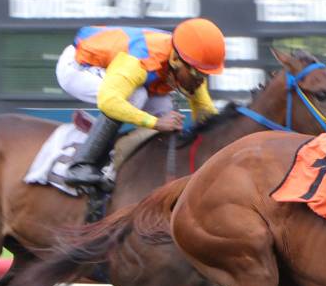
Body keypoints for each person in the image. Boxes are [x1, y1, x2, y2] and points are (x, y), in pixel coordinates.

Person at [55, 18, 225, 189]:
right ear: (175, 60)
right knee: (136, 96)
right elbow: (109, 101)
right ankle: (81, 165)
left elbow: (205, 114)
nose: (201, 82)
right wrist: (156, 123)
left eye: (205, 75)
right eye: (197, 74)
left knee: (165, 109)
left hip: (118, 69)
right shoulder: (138, 60)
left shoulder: (187, 62)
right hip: (78, 66)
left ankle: (116, 146)